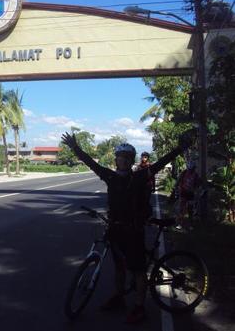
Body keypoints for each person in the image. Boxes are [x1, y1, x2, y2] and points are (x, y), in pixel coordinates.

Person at [61, 132, 191, 324]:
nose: (122, 161)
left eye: (126, 158)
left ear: (131, 161)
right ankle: (119, 298)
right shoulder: (110, 176)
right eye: (120, 158)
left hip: (133, 231)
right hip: (115, 229)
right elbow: (91, 163)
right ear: (116, 160)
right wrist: (75, 147)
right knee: (119, 268)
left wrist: (179, 149)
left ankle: (140, 307)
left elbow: (159, 164)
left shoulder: (139, 177)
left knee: (138, 271)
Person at [174, 159, 201, 229]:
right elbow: (178, 182)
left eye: (193, 168)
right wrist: (176, 189)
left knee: (190, 210)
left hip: (191, 194)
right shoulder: (183, 173)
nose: (191, 170)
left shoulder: (196, 175)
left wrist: (196, 191)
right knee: (181, 209)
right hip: (183, 193)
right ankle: (180, 224)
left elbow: (198, 184)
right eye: (190, 168)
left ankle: (190, 224)